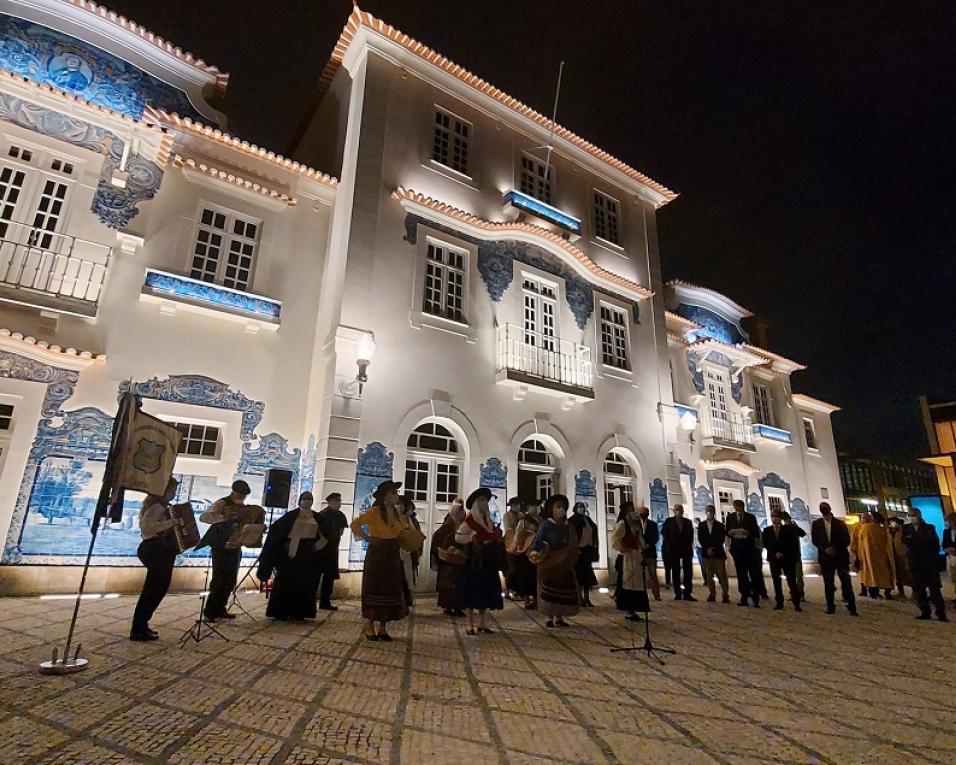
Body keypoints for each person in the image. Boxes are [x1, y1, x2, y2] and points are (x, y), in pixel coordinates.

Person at [350, 480, 410, 640]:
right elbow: (355, 524)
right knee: (374, 587)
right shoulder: (374, 511)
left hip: (392, 554)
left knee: (389, 589)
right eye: (393, 493)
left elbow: (402, 531)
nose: (396, 496)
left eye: (396, 493)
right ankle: (370, 626)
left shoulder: (397, 514)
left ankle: (383, 627)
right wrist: (367, 538)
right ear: (385, 496)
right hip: (377, 554)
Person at [130, 478, 181, 641]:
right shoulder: (157, 506)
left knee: (157, 589)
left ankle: (142, 625)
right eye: (172, 490)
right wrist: (171, 522)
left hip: (161, 549)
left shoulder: (162, 506)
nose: (173, 494)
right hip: (155, 548)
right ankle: (138, 628)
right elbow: (147, 528)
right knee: (152, 590)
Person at [258, 492, 322, 621]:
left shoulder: (317, 517)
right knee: (286, 583)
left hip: (307, 556)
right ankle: (280, 611)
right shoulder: (291, 516)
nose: (307, 501)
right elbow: (277, 532)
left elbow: (325, 534)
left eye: (310, 499)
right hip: (290, 556)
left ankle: (300, 612)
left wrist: (317, 546)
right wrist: (284, 543)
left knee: (304, 584)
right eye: (305, 499)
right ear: (300, 500)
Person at [199, 479, 251, 622]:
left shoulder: (243, 507)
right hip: (220, 546)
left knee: (230, 579)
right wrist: (224, 517)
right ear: (234, 492)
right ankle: (210, 611)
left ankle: (221, 608)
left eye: (244, 496)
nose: (242, 498)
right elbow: (204, 517)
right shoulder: (222, 503)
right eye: (240, 495)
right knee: (219, 579)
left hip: (235, 545)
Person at [455, 488, 504, 635]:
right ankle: (469, 623)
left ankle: (482, 623)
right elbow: (458, 537)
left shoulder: (488, 520)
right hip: (475, 563)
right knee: (472, 593)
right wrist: (472, 538)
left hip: (488, 562)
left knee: (485, 593)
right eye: (481, 500)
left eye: (485, 500)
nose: (484, 503)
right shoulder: (469, 521)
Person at [531, 494, 580, 628]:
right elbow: (538, 540)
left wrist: (573, 552)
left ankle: (560, 617)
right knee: (549, 591)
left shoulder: (568, 525)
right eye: (558, 507)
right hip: (550, 561)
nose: (561, 510)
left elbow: (574, 540)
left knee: (563, 590)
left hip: (565, 563)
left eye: (563, 507)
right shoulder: (546, 525)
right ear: (551, 509)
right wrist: (536, 551)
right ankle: (549, 617)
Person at [810, 502, 858, 616]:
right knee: (828, 583)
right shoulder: (817, 524)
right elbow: (815, 540)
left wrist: (835, 548)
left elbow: (847, 539)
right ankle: (830, 606)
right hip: (825, 558)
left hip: (840, 556)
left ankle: (852, 606)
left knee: (846, 582)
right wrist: (825, 549)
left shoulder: (840, 523)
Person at [903, 507, 948, 621]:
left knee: (934, 589)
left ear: (919, 515)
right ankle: (925, 611)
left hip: (928, 562)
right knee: (919, 589)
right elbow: (905, 543)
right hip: (915, 563)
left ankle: (940, 612)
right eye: (910, 515)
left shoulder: (929, 527)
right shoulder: (906, 529)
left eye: (914, 515)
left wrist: (931, 556)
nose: (912, 517)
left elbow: (934, 544)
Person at [611, 504, 649, 621]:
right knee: (628, 583)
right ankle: (628, 609)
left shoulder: (636, 525)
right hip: (628, 558)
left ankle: (634, 608)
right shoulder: (622, 524)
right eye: (631, 510)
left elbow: (640, 539)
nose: (633, 512)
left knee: (637, 584)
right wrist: (622, 548)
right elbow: (615, 539)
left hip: (637, 558)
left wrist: (643, 547)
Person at [762, 507, 804, 611]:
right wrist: (775, 553)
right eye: (773, 516)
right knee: (776, 581)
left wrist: (790, 523)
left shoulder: (788, 528)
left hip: (787, 558)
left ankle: (796, 602)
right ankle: (779, 602)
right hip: (774, 558)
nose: (774, 519)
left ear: (780, 518)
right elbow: (765, 543)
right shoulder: (767, 530)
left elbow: (800, 534)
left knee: (791, 581)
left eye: (776, 516)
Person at [430, 497, 466, 616]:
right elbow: (439, 538)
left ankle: (458, 607)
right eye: (460, 512)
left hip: (459, 560)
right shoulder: (448, 525)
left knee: (459, 584)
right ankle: (448, 607)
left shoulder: (462, 524)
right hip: (448, 561)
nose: (462, 514)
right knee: (448, 584)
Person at [850, 511, 896, 599]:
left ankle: (874, 591)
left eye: (866, 517)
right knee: (872, 573)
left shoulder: (867, 528)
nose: (864, 519)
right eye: (863, 517)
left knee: (870, 573)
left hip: (870, 555)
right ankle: (875, 591)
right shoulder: (864, 528)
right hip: (873, 555)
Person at [725, 499, 761, 608]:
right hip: (737, 549)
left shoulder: (750, 517)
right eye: (735, 506)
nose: (737, 508)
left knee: (753, 574)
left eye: (739, 506)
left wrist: (747, 532)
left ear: (743, 507)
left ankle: (755, 598)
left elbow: (756, 532)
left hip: (749, 549)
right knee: (741, 575)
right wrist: (730, 533)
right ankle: (744, 597)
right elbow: (727, 531)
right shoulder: (730, 517)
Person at [316, 493, 348, 610]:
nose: (338, 503)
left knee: (329, 577)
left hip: (333, 549)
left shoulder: (340, 515)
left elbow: (341, 530)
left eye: (339, 500)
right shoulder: (322, 515)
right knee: (317, 575)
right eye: (336, 500)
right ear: (329, 501)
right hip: (322, 549)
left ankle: (325, 601)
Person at [509, 500, 540, 609]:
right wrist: (518, 546)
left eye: (536, 506)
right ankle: (526, 599)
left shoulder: (540, 520)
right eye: (533, 506)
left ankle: (536, 599)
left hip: (537, 552)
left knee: (535, 576)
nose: (535, 509)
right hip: (526, 551)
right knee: (526, 576)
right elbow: (518, 534)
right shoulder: (524, 521)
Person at [662, 504, 696, 601]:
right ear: (674, 511)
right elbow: (665, 534)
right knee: (675, 572)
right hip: (674, 550)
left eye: (680, 510)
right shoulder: (669, 521)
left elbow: (690, 537)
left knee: (688, 572)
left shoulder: (688, 522)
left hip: (685, 550)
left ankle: (687, 593)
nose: (679, 511)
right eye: (677, 510)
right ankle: (677, 593)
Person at [697, 504, 729, 603]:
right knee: (709, 575)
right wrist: (707, 548)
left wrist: (713, 548)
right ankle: (712, 594)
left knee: (722, 575)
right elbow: (701, 538)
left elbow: (721, 538)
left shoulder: (720, 525)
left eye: (711, 511)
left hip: (718, 553)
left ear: (714, 512)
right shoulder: (701, 525)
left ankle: (725, 594)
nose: (709, 513)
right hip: (707, 553)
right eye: (708, 511)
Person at [569, 502, 599, 607]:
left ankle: (587, 598)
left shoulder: (587, 519)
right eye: (579, 507)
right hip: (578, 551)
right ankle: (579, 598)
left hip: (587, 550)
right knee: (578, 576)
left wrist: (593, 543)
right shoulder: (572, 521)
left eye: (583, 507)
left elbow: (593, 529)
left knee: (587, 576)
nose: (581, 509)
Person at [398, 494, 423, 604]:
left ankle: (409, 597)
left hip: (410, 552)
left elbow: (417, 534)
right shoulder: (400, 519)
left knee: (409, 575)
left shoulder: (413, 520)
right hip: (401, 551)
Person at [636, 505, 662, 601]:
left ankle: (656, 595)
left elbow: (655, 537)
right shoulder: (636, 524)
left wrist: (648, 545)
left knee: (652, 574)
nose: (643, 515)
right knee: (638, 575)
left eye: (645, 513)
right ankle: (640, 595)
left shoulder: (653, 524)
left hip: (650, 552)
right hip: (638, 553)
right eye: (641, 513)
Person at [502, 497, 524, 599]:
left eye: (519, 505)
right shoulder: (507, 515)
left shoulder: (522, 515)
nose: (518, 507)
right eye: (516, 505)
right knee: (510, 568)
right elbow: (508, 529)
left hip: (520, 544)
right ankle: (508, 590)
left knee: (519, 568)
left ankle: (517, 590)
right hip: (509, 543)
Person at [886, 515, 913, 598]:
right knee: (898, 574)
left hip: (903, 555)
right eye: (890, 522)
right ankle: (900, 591)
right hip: (893, 555)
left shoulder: (903, 530)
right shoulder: (889, 531)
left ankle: (914, 590)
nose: (892, 524)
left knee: (907, 573)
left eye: (893, 522)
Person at [943, 513, 956, 605]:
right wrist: (947, 549)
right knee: (954, 577)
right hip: (951, 557)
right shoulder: (946, 531)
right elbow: (944, 544)